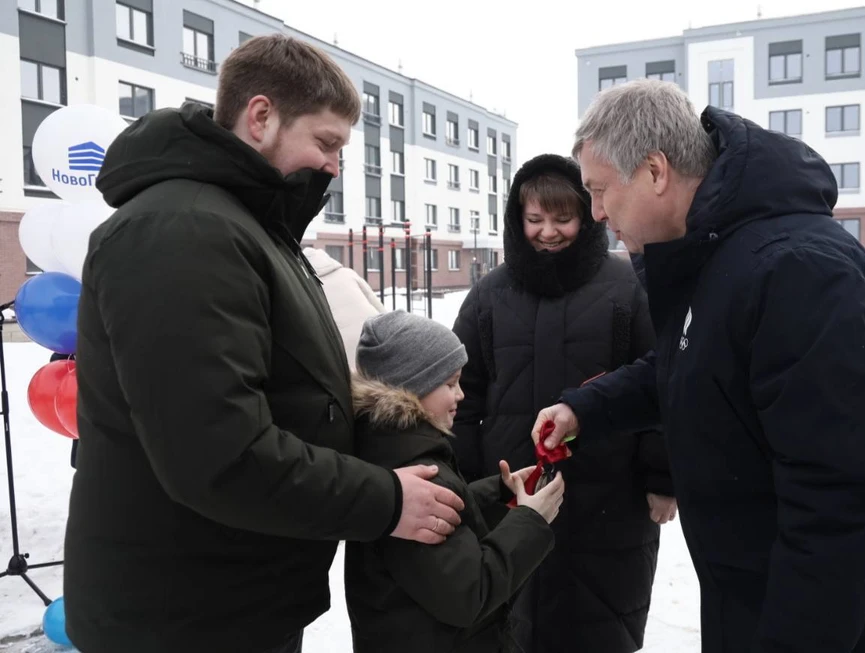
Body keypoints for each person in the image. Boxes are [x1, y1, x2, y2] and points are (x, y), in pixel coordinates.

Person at [64, 34, 465, 653]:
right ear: (261, 117)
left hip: (231, 598)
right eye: (327, 143)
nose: (334, 165)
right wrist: (385, 501)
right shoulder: (183, 231)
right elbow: (219, 454)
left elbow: (290, 388)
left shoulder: (246, 224)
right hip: (183, 618)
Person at [533, 79, 865, 653]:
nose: (597, 212)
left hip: (852, 627)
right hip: (762, 602)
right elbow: (699, 365)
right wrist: (586, 409)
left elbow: (841, 507)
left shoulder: (795, 272)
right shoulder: (719, 254)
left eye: (601, 190)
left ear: (655, 172)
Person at [451, 153, 675, 653]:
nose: (547, 232)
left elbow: (663, 384)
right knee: (511, 627)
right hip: (511, 496)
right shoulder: (489, 296)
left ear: (588, 214)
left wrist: (662, 477)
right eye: (535, 220)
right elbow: (461, 401)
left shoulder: (628, 289)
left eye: (562, 219)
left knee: (599, 627)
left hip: (609, 499)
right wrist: (464, 484)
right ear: (517, 219)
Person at [345, 310, 563, 652]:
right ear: (411, 387)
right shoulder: (417, 473)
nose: (461, 394)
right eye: (449, 383)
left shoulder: (392, 450)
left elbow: (444, 542)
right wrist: (530, 521)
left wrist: (498, 492)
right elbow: (468, 593)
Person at [302, 245, 385, 371]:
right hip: (371, 339)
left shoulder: (305, 285)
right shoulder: (348, 273)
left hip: (338, 351)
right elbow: (380, 309)